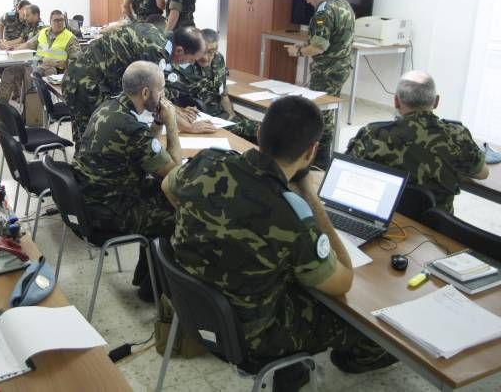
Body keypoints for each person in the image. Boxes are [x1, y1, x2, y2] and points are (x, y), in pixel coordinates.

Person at [163, 96, 396, 391]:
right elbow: (343, 280)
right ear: (311, 152)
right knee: (358, 322)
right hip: (251, 338)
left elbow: (166, 186)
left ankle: (293, 372)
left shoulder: (207, 162)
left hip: (195, 309)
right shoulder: (292, 218)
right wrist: (310, 197)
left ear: (259, 133)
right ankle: (335, 363)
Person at [73, 61, 182, 299]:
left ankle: (147, 282)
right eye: (161, 90)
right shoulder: (131, 128)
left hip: (92, 198)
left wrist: (157, 124)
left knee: (160, 192)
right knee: (177, 215)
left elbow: (141, 151)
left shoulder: (109, 107)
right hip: (109, 212)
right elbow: (176, 176)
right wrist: (172, 124)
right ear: (145, 92)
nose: (164, 96)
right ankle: (154, 291)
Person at [347, 71, 488, 214]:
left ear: (396, 101)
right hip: (436, 226)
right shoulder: (457, 135)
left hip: (386, 217)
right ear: (436, 101)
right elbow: (482, 174)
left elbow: (348, 172)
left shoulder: (372, 133)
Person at [62, 23, 211, 145]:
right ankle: (84, 179)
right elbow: (156, 99)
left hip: (84, 79)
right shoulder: (155, 51)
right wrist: (189, 127)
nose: (189, 64)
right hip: (86, 86)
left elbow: (159, 94)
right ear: (179, 50)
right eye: (191, 60)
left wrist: (177, 109)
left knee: (91, 139)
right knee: (92, 140)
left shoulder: (158, 35)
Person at [285, 0, 355, 168]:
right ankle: (324, 155)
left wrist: (297, 51)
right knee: (329, 111)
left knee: (320, 114)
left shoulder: (324, 11)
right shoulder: (344, 4)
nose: (307, 1)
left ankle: (320, 159)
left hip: (327, 71)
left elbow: (319, 47)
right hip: (340, 67)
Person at [165, 28, 260, 142]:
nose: (206, 57)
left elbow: (223, 93)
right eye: (204, 52)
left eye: (212, 51)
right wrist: (181, 110)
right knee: (257, 131)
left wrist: (231, 116)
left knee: (262, 127)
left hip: (220, 116)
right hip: (200, 119)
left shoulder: (218, 59)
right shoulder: (183, 62)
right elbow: (163, 99)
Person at [0, 10, 81, 102]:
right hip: (35, 64)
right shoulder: (43, 33)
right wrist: (11, 48)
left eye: (61, 20)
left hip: (54, 69)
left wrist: (58, 63)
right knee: (9, 72)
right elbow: (28, 44)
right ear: (50, 22)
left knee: (31, 75)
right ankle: (1, 106)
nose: (59, 23)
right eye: (56, 20)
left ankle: (30, 109)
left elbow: (78, 62)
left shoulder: (70, 38)